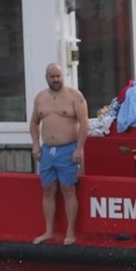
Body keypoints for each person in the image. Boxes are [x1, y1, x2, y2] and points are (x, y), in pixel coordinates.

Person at [30, 62, 89, 245]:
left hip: (68, 149)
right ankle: (48, 231)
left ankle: (70, 232)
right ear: (46, 77)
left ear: (63, 76)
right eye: (52, 76)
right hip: (47, 151)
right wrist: (35, 145)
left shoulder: (75, 96)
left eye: (58, 76)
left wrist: (79, 148)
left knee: (68, 190)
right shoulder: (40, 98)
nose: (56, 80)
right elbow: (34, 123)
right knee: (48, 190)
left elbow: (84, 124)